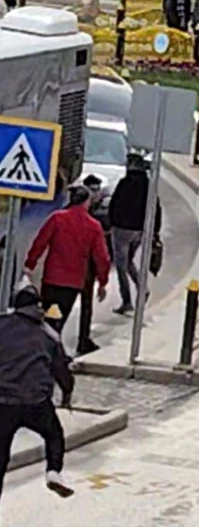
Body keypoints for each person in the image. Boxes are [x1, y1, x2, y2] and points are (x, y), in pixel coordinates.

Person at [0, 285, 75, 503]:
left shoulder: (2, 325)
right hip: (36, 400)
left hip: (3, 400)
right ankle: (54, 472)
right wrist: (67, 394)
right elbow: (62, 371)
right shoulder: (48, 334)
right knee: (54, 435)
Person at [24, 184, 110, 335]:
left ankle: (40, 345)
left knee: (45, 318)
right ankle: (51, 348)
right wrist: (102, 282)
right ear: (86, 202)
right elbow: (102, 257)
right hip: (73, 282)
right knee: (59, 320)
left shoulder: (57, 218)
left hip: (51, 279)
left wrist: (30, 264)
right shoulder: (94, 226)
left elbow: (40, 242)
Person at [109, 153, 162, 315]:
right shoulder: (149, 185)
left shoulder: (125, 183)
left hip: (122, 229)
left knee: (121, 265)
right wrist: (154, 231)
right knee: (129, 261)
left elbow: (114, 203)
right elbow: (156, 208)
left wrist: (112, 221)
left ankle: (126, 301)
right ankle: (142, 288)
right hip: (139, 230)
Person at [77, 174, 111, 355]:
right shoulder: (91, 220)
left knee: (85, 307)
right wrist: (103, 280)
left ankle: (83, 339)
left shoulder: (103, 208)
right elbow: (102, 254)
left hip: (85, 269)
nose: (95, 194)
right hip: (83, 269)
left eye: (97, 189)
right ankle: (82, 340)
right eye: (92, 190)